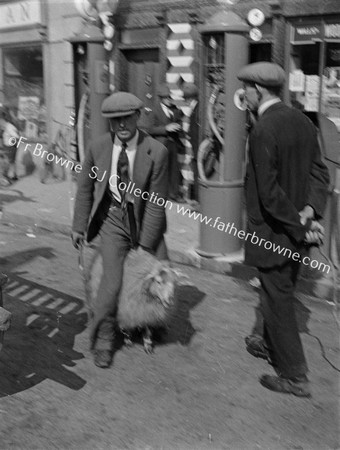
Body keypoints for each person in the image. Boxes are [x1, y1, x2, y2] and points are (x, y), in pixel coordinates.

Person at [237, 62, 329, 397]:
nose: (242, 94)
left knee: (279, 298)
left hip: (275, 233)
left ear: (258, 90)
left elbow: (269, 194)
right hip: (295, 231)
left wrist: (300, 225)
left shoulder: (263, 130)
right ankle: (268, 343)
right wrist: (311, 211)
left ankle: (295, 376)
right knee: (278, 289)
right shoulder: (303, 121)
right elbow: (321, 175)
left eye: (245, 88)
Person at [72, 92, 169, 368]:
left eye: (127, 117)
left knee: (160, 276)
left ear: (138, 116)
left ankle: (149, 324)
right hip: (114, 220)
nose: (122, 124)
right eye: (116, 120)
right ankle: (103, 338)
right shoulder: (98, 147)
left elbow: (155, 203)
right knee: (110, 284)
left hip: (145, 219)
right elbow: (85, 190)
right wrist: (79, 226)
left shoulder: (157, 151)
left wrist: (146, 246)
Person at [146, 84, 185, 202]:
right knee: (161, 169)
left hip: (173, 142)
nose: (169, 100)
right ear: (161, 99)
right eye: (166, 98)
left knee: (174, 169)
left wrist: (178, 126)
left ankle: (174, 194)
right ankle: (159, 194)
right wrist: (165, 128)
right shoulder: (154, 110)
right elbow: (150, 129)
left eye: (170, 97)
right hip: (161, 143)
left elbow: (180, 122)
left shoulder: (175, 109)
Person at [182, 83, 200, 203]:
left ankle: (198, 200)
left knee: (197, 174)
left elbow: (195, 130)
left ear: (190, 98)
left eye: (186, 99)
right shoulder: (196, 108)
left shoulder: (197, 109)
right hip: (195, 147)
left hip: (197, 147)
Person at [0, 107, 19, 183]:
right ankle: (13, 176)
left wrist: (11, 142)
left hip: (9, 147)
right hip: (9, 146)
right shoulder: (7, 126)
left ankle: (6, 178)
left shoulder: (9, 127)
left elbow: (16, 136)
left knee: (7, 162)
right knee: (11, 162)